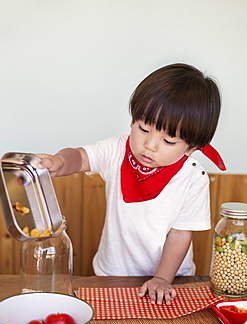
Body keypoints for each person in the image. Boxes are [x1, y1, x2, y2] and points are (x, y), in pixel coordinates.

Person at [38, 63, 226, 305]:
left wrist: (161, 278)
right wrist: (60, 161)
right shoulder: (117, 150)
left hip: (170, 279)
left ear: (191, 148)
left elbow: (180, 235)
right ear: (132, 120)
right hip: (112, 274)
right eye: (144, 129)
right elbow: (82, 156)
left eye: (168, 141)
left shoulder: (193, 177)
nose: (150, 145)